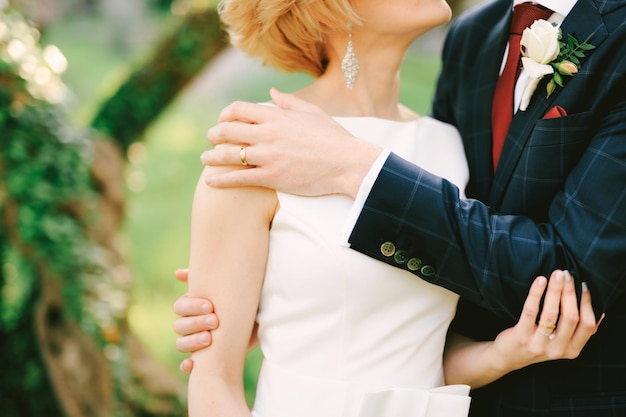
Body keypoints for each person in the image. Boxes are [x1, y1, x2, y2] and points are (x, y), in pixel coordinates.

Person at [176, 0, 625, 416]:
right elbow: (214, 384)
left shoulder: (445, 146)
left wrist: (499, 355)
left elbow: (420, 347)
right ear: (330, 8)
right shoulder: (259, 143)